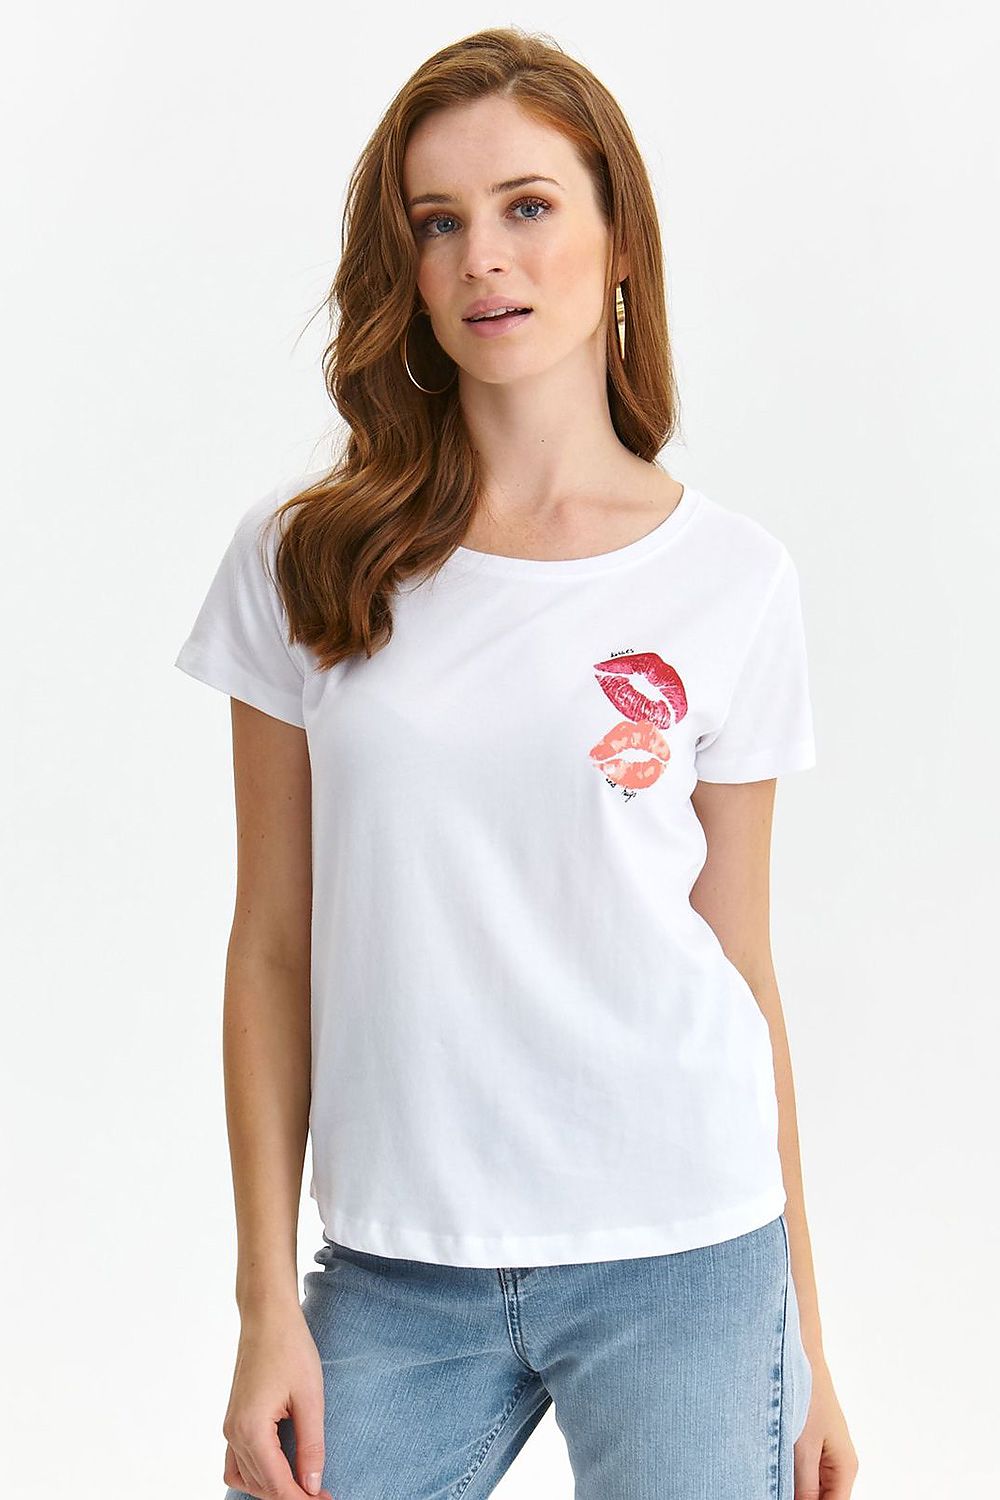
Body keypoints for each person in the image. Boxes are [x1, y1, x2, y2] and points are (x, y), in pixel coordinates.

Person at [175, 26, 859, 1500]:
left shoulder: (733, 579)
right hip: (396, 1269)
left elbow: (739, 959)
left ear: (618, 241)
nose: (483, 255)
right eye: (439, 222)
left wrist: (803, 1337)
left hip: (689, 1251)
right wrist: (264, 1305)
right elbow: (272, 947)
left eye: (528, 205)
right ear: (408, 271)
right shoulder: (309, 561)